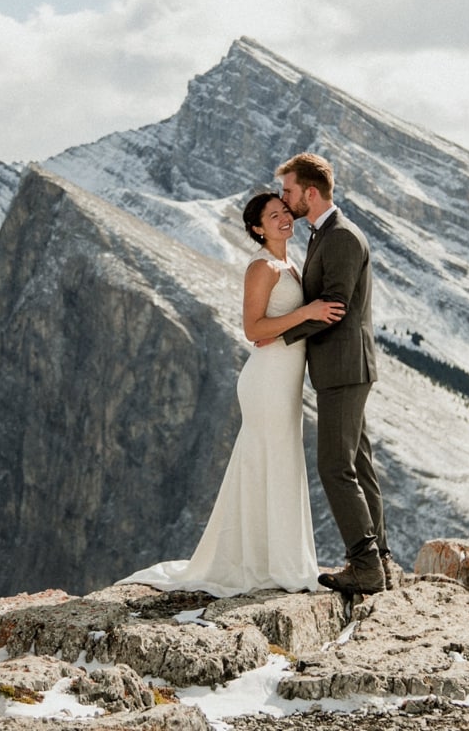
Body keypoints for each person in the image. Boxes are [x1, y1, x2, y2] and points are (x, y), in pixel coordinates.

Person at [119, 192, 344, 596]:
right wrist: (308, 313)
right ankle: (270, 565)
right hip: (266, 379)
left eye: (284, 213)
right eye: (272, 216)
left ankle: (273, 559)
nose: (283, 219)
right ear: (257, 228)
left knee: (278, 460)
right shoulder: (262, 267)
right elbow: (253, 329)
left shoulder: (290, 264)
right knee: (270, 459)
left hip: (285, 378)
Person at [276, 152, 392, 595]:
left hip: (344, 366)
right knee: (359, 464)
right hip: (344, 367)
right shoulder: (324, 234)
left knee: (334, 465)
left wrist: (280, 334)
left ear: (310, 191)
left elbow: (335, 308)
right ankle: (379, 559)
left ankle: (365, 567)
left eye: (288, 191)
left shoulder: (341, 237)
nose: (284, 200)